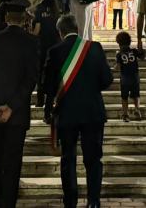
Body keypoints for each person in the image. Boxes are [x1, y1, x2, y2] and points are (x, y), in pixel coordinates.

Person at [44, 14, 113, 208]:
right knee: (93, 159)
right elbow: (107, 80)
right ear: (77, 27)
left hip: (67, 113)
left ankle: (70, 201)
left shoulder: (55, 51)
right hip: (93, 111)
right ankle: (93, 201)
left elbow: (49, 86)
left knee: (68, 159)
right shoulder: (95, 48)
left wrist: (49, 110)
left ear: (60, 32)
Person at [0, 0, 39, 208]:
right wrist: (12, 106)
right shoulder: (31, 42)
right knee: (13, 161)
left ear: (5, 17)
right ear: (24, 17)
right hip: (18, 110)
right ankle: (8, 203)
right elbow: (31, 79)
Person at [32, 0, 64, 111]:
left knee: (41, 74)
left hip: (42, 46)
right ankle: (56, 99)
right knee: (55, 73)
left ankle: (40, 100)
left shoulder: (39, 9)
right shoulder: (58, 9)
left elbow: (36, 31)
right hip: (56, 46)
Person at [114, 31, 142, 121]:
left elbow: (117, 67)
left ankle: (125, 115)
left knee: (124, 97)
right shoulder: (134, 51)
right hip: (135, 77)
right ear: (129, 41)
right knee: (136, 95)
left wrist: (112, 69)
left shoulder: (119, 54)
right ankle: (137, 109)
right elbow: (142, 56)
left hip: (125, 78)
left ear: (119, 43)